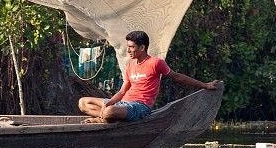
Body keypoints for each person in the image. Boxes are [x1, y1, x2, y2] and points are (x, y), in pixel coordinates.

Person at [78, 30, 219, 122]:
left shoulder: (156, 63)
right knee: (83, 102)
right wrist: (108, 103)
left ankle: (102, 117)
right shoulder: (130, 65)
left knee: (109, 112)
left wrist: (205, 85)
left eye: (131, 47)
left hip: (140, 106)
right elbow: (122, 92)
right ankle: (104, 116)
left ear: (142, 48)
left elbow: (177, 77)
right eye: (128, 47)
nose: (128, 50)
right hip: (123, 104)